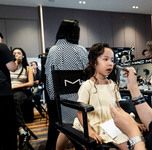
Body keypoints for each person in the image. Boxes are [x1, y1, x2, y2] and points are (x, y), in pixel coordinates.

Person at [73, 43, 145, 150]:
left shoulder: (112, 85)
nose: (110, 64)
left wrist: (133, 122)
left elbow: (118, 108)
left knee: (138, 138)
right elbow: (80, 112)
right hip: (97, 124)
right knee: (128, 146)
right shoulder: (87, 86)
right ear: (94, 62)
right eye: (105, 59)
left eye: (112, 60)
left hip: (113, 123)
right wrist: (91, 132)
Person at [45, 19, 88, 150]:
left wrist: (53, 98)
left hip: (62, 102)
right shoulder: (81, 50)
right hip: (81, 100)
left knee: (65, 128)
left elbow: (49, 79)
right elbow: (88, 74)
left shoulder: (53, 51)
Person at [10, 47, 34, 149]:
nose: (16, 54)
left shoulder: (28, 68)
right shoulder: (9, 67)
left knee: (13, 101)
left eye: (18, 53)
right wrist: (15, 62)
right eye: (14, 53)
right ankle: (22, 129)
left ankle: (22, 130)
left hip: (20, 91)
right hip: (8, 92)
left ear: (23, 56)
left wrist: (15, 86)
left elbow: (30, 83)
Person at [0, 43, 18, 149]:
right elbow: (12, 67)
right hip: (3, 92)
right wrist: (15, 60)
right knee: (8, 128)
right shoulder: (1, 46)